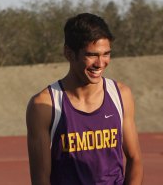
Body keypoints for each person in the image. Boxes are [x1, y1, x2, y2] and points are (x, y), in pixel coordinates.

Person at [26, 13, 143, 185]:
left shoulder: (121, 95)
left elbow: (135, 159)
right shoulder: (43, 106)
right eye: (92, 55)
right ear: (69, 53)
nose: (100, 63)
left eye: (106, 54)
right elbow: (40, 178)